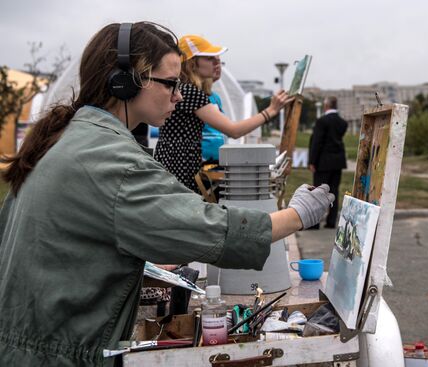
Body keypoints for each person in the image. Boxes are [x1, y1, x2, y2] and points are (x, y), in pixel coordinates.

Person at [0, 22, 333, 366]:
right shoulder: (108, 158)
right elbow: (211, 229)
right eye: (171, 83)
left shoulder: (69, 139)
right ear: (127, 81)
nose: (178, 95)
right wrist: (298, 215)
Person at [155, 34, 292, 193]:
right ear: (192, 63)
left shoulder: (183, 89)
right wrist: (271, 111)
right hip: (181, 164)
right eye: (210, 59)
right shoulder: (190, 92)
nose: (216, 63)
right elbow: (233, 130)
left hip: (174, 160)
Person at [308, 96, 348, 229]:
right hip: (337, 161)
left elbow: (317, 142)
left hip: (323, 162)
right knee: (334, 191)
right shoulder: (342, 122)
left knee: (319, 192)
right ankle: (331, 221)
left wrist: (312, 161)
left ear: (326, 106)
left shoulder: (322, 121)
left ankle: (315, 222)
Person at [201, 55, 225, 163]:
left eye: (219, 62)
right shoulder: (195, 95)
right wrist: (268, 113)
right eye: (213, 61)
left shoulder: (216, 97)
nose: (217, 66)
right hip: (201, 160)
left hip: (217, 159)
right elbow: (233, 130)